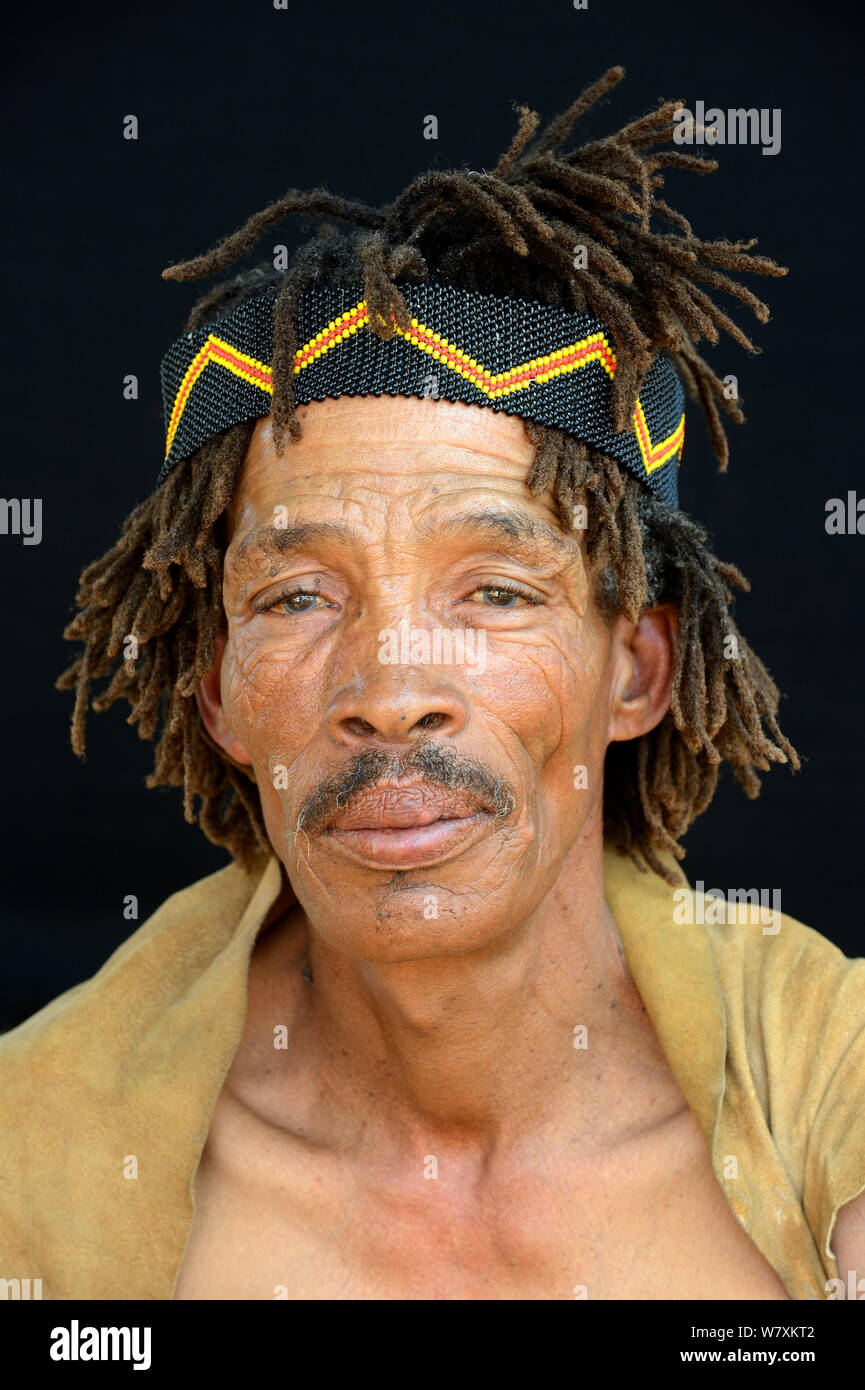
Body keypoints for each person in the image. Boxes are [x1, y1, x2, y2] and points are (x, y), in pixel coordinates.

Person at [1, 67, 862, 1301]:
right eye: (299, 597)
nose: (392, 692)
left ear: (639, 668)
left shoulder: (825, 1079)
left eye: (496, 592)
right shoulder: (34, 1169)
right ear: (220, 696)